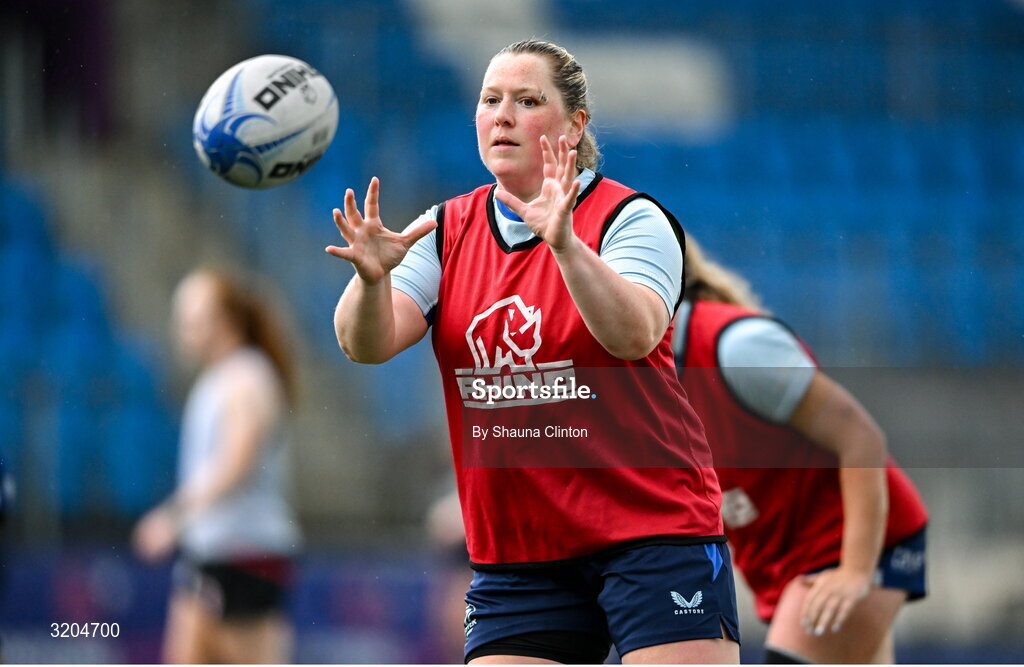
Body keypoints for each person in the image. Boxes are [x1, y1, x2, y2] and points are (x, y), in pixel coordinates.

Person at [328, 39, 739, 664]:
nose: (503, 115)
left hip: (652, 531)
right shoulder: (445, 231)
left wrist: (567, 247)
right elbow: (366, 343)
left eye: (527, 100)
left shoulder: (632, 219)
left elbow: (634, 335)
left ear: (574, 126)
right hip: (522, 553)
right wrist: (371, 279)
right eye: (490, 100)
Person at [673, 238, 929, 664]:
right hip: (787, 565)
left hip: (847, 546)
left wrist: (855, 572)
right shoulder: (631, 378)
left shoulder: (737, 347)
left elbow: (860, 438)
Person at [132, 268, 302, 664]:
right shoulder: (220, 378)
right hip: (211, 553)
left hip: (244, 555)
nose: (182, 330)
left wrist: (173, 516)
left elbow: (236, 460)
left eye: (193, 319)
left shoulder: (246, 377)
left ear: (225, 321)